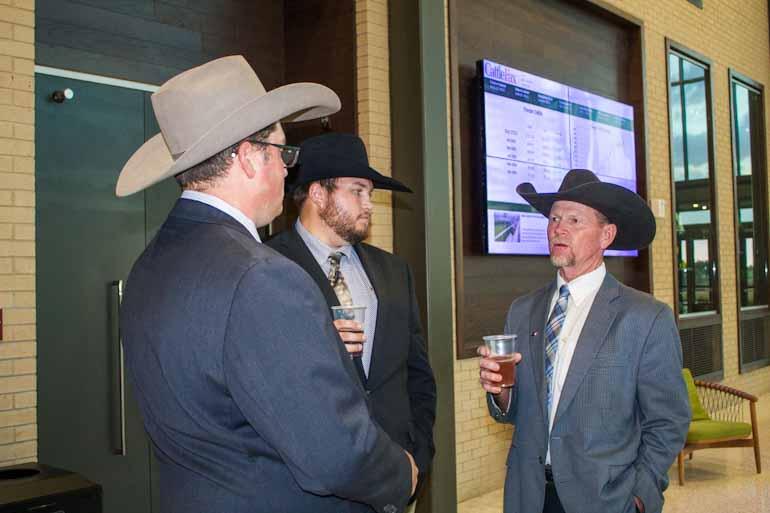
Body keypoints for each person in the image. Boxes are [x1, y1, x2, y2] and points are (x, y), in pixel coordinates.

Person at [115, 56, 416, 513]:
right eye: (282, 152)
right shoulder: (261, 276)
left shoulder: (146, 268)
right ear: (248, 157)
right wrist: (402, 474)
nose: (286, 170)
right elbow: (332, 455)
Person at [478, 169, 690, 513]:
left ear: (606, 235)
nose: (558, 228)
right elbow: (516, 413)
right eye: (555, 218)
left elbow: (669, 420)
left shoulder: (646, 318)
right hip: (528, 495)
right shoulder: (522, 311)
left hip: (606, 499)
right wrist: (501, 391)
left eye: (574, 220)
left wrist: (639, 494)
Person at [266, 133, 437, 510]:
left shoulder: (395, 271)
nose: (369, 205)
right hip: (310, 490)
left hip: (394, 477)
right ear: (318, 194)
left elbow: (418, 373)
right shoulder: (267, 269)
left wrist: (419, 455)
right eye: (357, 191)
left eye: (369, 193)